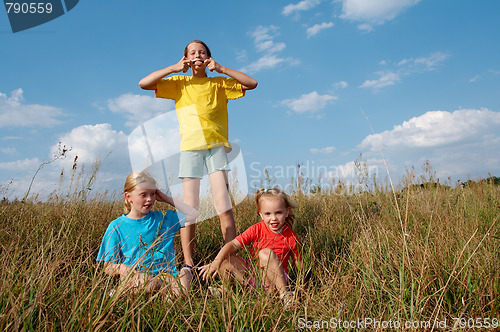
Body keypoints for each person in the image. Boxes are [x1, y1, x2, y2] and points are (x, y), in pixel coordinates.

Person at [138, 40, 258, 274]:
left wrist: (222, 69)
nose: (197, 55)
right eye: (192, 52)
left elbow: (252, 83)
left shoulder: (220, 83)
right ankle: (188, 262)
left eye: (202, 52)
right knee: (189, 207)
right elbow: (144, 83)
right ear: (186, 58)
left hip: (216, 147)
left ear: (209, 57)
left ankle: (228, 257)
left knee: (222, 203)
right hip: (191, 148)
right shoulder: (180, 83)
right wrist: (174, 68)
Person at [97, 171, 199, 297]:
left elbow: (193, 215)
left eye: (152, 194)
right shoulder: (116, 226)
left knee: (180, 288)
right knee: (148, 283)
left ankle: (176, 283)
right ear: (128, 197)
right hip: (138, 278)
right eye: (143, 195)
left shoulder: (164, 218)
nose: (149, 199)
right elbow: (107, 266)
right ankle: (166, 293)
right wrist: (121, 268)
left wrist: (167, 199)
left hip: (167, 277)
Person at [198, 188, 303, 306]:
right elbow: (232, 244)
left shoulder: (292, 237)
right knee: (226, 258)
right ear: (261, 214)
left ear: (286, 212)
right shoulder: (256, 229)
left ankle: (285, 295)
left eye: (278, 212)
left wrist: (301, 283)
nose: (273, 218)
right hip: (254, 276)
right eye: (268, 214)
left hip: (274, 281)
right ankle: (227, 289)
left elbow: (299, 266)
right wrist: (216, 262)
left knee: (265, 254)